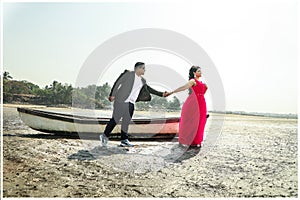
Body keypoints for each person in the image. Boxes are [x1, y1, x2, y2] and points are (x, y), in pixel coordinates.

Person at [99, 62, 168, 147]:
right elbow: (118, 82)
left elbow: (149, 89)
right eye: (143, 68)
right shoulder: (128, 74)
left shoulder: (143, 80)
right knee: (115, 119)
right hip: (121, 100)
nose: (144, 70)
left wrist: (162, 94)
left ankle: (124, 140)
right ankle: (104, 136)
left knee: (126, 122)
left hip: (131, 103)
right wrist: (112, 94)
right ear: (137, 68)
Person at [168, 66, 208, 147]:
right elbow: (183, 88)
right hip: (192, 104)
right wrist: (172, 92)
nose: (201, 73)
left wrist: (200, 96)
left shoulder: (203, 83)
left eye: (201, 71)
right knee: (190, 121)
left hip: (201, 104)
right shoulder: (193, 81)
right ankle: (187, 140)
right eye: (199, 71)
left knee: (200, 121)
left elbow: (204, 90)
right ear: (194, 73)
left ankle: (196, 140)